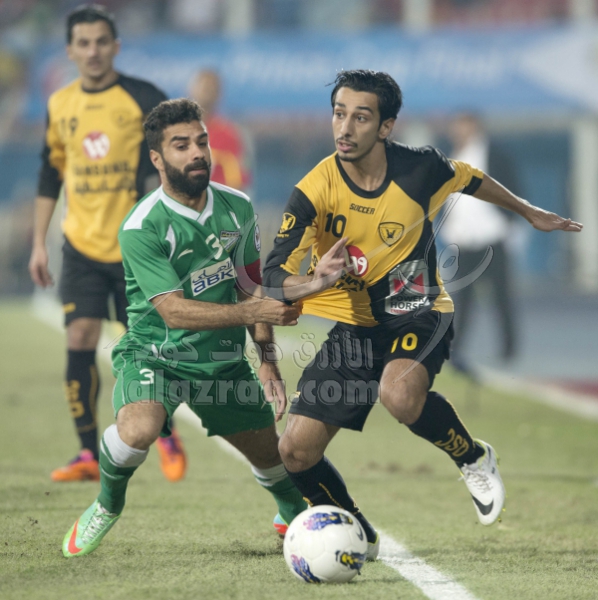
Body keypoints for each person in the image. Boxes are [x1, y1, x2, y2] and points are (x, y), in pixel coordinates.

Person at [263, 70, 582, 560]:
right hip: (356, 327)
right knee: (295, 452)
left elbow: (470, 178)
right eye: (339, 114)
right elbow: (273, 276)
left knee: (399, 394)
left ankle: (472, 456)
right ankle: (357, 531)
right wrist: (313, 283)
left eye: (360, 117)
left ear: (386, 127)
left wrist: (526, 211)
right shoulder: (314, 190)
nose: (345, 127)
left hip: (418, 311)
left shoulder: (420, 169)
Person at [61, 98, 307, 558]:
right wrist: (257, 312)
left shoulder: (238, 207)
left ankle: (295, 515)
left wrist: (268, 362)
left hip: (220, 361)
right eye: (181, 145)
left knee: (271, 457)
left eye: (201, 141)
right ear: (157, 158)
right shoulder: (141, 226)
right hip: (155, 355)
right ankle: (107, 504)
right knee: (138, 430)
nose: (197, 153)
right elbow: (174, 311)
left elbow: (249, 289)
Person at [28, 4, 187, 483]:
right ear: (70, 51)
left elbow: (175, 161)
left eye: (101, 42)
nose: (93, 51)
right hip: (80, 245)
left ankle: (166, 432)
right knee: (79, 336)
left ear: (115, 47)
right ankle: (85, 452)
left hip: (136, 247)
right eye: (84, 43)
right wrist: (39, 243)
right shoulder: (60, 105)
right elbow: (50, 174)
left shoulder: (144, 98)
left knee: (145, 347)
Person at [439, 113, 520, 373]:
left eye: (462, 125)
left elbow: (513, 190)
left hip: (491, 238)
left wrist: (510, 225)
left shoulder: (494, 156)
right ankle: (457, 346)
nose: (457, 130)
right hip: (464, 241)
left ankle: (509, 348)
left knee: (501, 296)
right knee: (463, 298)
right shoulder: (451, 157)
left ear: (474, 127)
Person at [189, 69, 251, 190]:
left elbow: (237, 182)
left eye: (212, 88)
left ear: (219, 94)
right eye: (203, 86)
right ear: (191, 89)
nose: (207, 92)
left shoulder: (228, 135)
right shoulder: (175, 130)